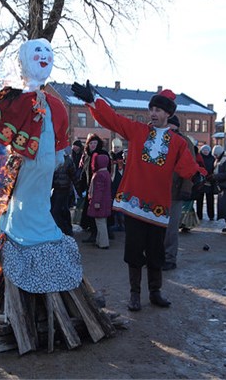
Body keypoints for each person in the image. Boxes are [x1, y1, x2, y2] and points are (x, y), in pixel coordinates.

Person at [71, 81, 206, 311]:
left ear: (168, 114)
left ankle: (155, 292)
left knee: (156, 252)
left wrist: (198, 177)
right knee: (134, 251)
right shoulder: (137, 131)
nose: (153, 114)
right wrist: (92, 101)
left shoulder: (177, 143)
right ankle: (135, 294)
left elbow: (187, 165)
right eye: (151, 109)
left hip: (158, 207)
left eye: (158, 110)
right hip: (133, 203)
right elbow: (113, 119)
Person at [0, 38, 82, 295]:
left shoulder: (54, 104)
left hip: (45, 167)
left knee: (39, 201)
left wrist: (59, 158)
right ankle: (25, 231)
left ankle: (32, 230)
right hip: (26, 164)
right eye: (37, 52)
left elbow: (61, 136)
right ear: (24, 61)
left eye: (48, 52)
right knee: (24, 202)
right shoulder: (12, 100)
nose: (44, 57)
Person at [163, 114, 198, 271]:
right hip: (158, 191)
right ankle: (157, 256)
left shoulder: (184, 142)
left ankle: (170, 258)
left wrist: (185, 189)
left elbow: (190, 168)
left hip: (175, 192)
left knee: (171, 229)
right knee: (157, 227)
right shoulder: (161, 138)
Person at [77, 133, 110, 243]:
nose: (93, 145)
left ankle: (99, 236)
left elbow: (107, 171)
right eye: (91, 143)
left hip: (99, 188)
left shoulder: (102, 154)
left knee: (98, 212)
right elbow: (84, 171)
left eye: (95, 143)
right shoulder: (87, 155)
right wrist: (81, 186)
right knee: (91, 213)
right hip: (90, 188)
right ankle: (95, 234)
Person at [87, 154, 112, 249]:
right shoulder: (107, 173)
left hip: (99, 203)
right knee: (102, 222)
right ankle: (99, 241)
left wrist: (96, 202)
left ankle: (103, 243)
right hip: (105, 202)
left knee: (100, 223)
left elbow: (98, 190)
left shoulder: (99, 175)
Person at [51, 147, 77, 236]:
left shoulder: (64, 160)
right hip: (59, 188)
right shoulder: (62, 160)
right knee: (63, 210)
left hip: (63, 189)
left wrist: (78, 189)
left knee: (56, 211)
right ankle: (67, 230)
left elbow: (73, 175)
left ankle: (63, 230)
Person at [195, 145, 215, 221]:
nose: (206, 151)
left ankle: (211, 215)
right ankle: (199, 215)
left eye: (207, 150)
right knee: (199, 200)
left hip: (210, 181)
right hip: (200, 182)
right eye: (204, 150)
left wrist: (211, 176)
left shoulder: (212, 159)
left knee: (210, 200)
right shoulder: (199, 158)